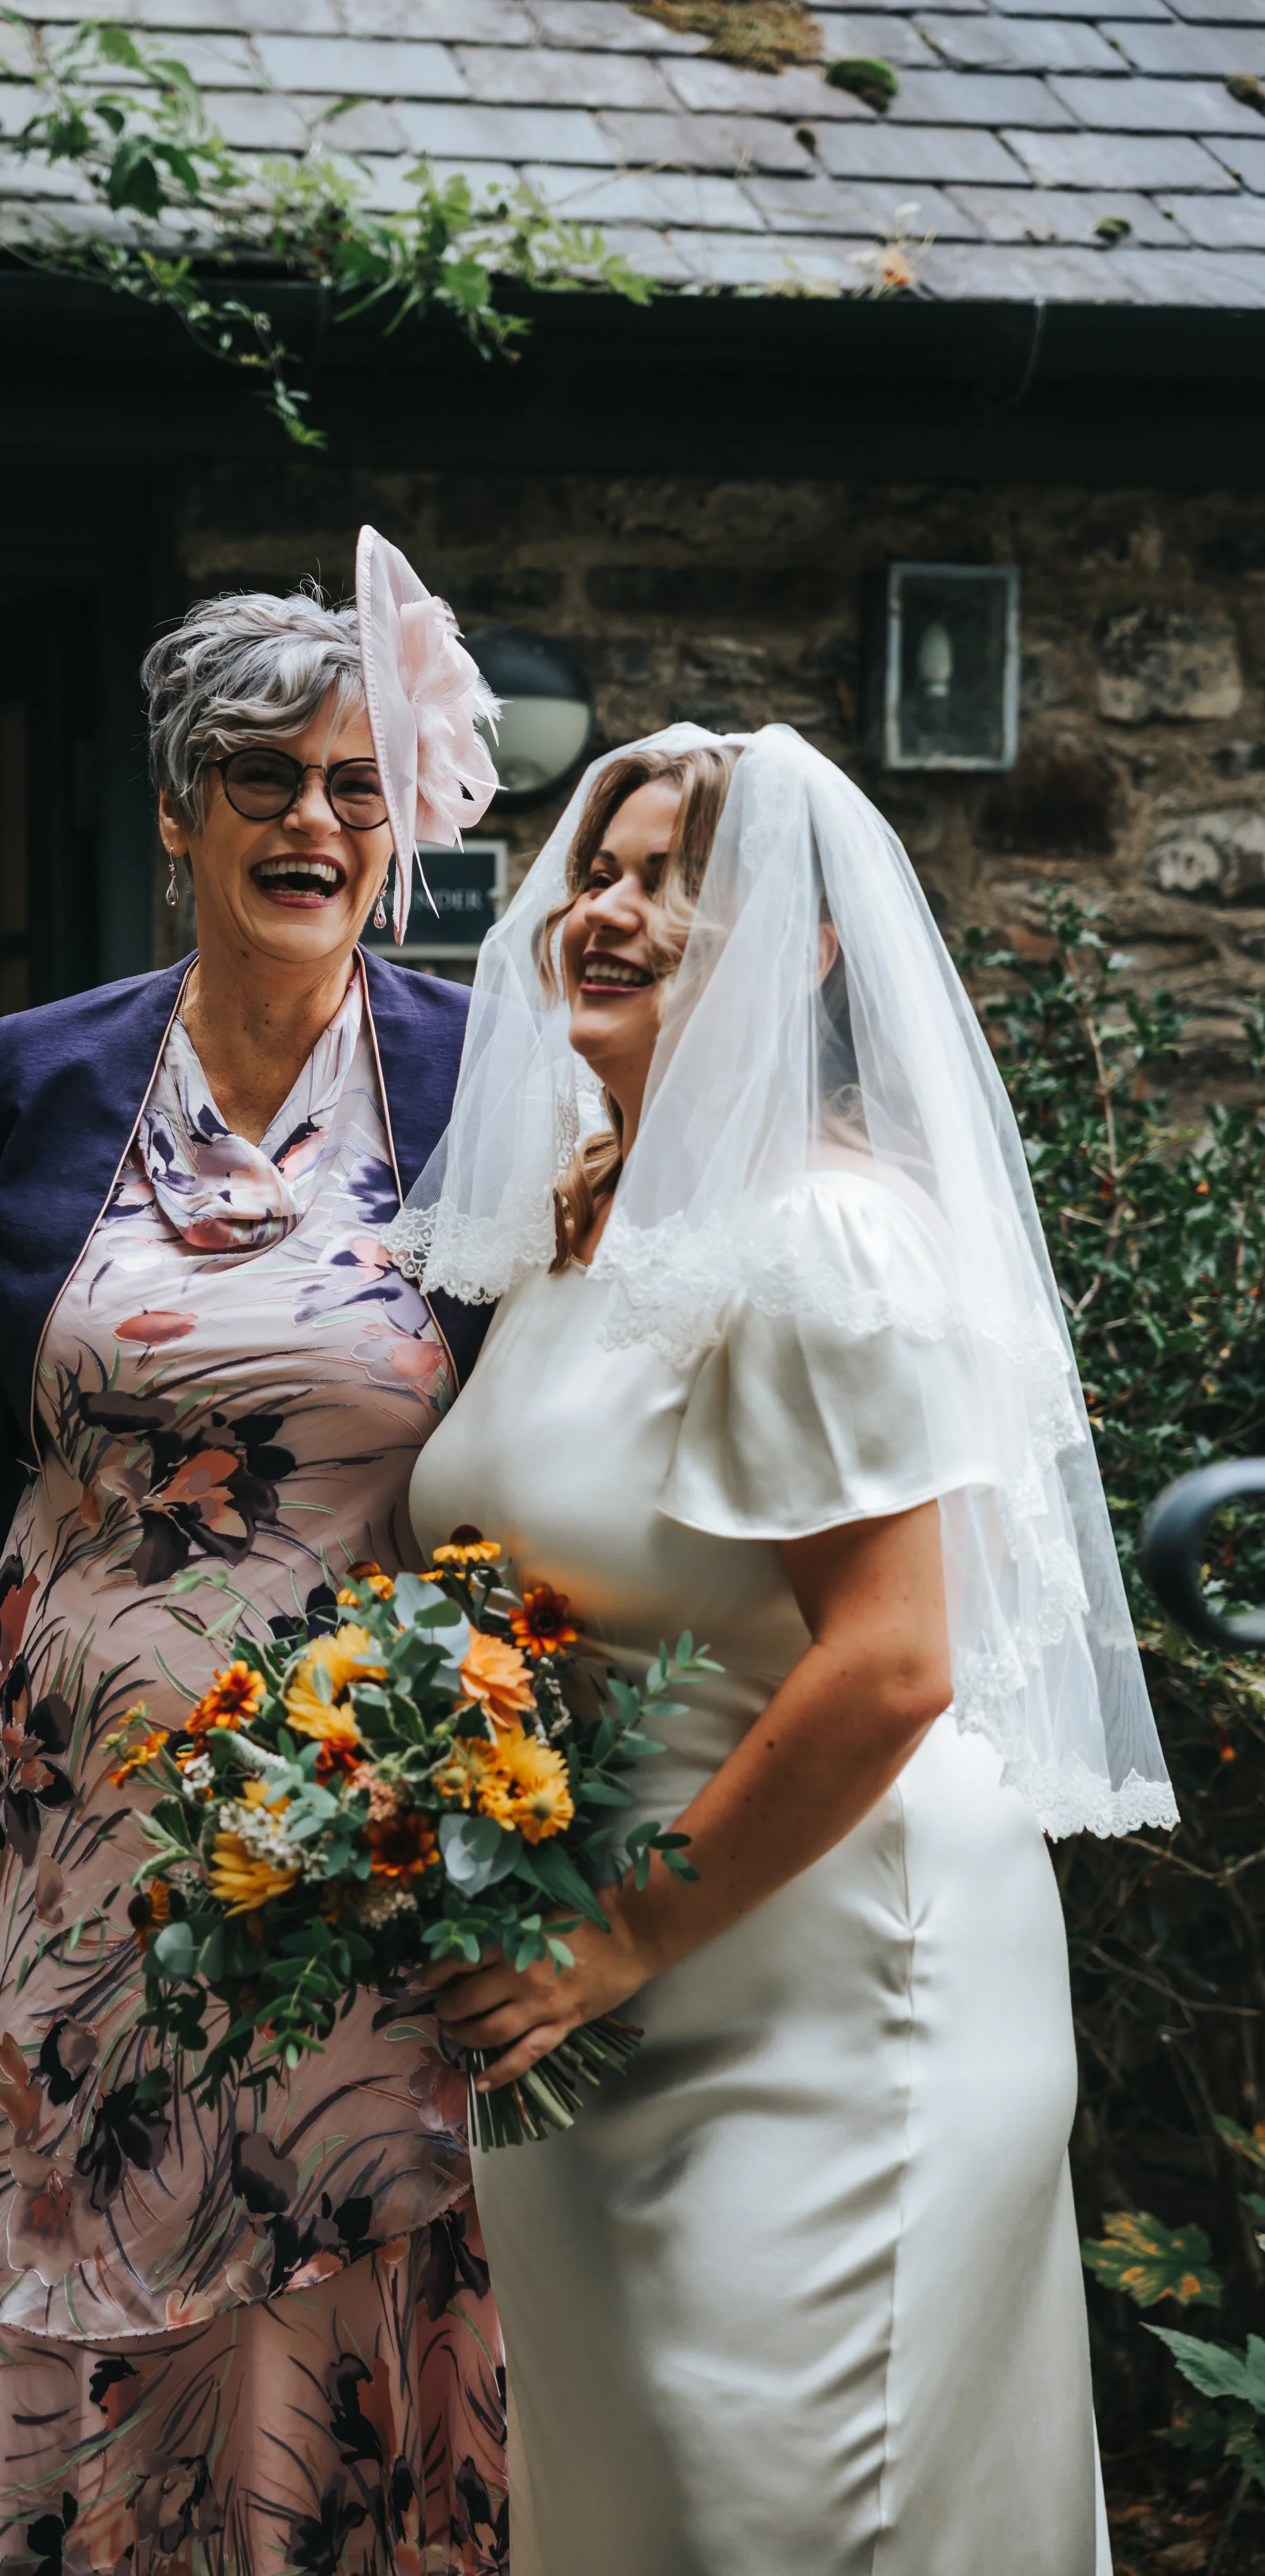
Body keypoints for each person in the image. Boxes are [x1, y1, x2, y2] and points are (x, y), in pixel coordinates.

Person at [395, 725, 1176, 2576]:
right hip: (593, 1991)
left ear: (801, 947)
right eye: (595, 866)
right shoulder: (579, 1226)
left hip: (821, 1980)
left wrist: (616, 1934)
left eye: (672, 878)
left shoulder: (826, 1239)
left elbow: (893, 1663)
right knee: (635, 2495)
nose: (606, 907)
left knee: (787, 2501)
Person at [0, 543, 512, 2575]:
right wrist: (24, 1735)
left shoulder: (476, 1075)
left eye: (352, 781)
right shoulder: (31, 1074)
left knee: (332, 2248)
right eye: (260, 777)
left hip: (361, 1824)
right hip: (71, 1824)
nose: (311, 820)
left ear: (398, 820)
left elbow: (541, 1447)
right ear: (176, 812)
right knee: (86, 2248)